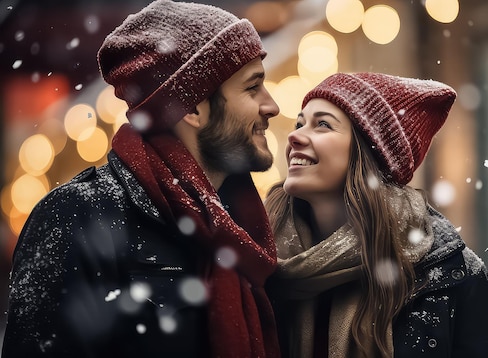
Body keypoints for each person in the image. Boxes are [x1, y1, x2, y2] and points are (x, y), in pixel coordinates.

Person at [2, 0, 281, 357]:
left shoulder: (246, 226)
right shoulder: (76, 217)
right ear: (193, 108)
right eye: (252, 87)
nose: (271, 105)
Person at [264, 72, 488, 357]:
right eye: (299, 123)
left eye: (322, 125)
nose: (294, 136)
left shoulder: (451, 275)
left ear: (369, 154)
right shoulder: (264, 262)